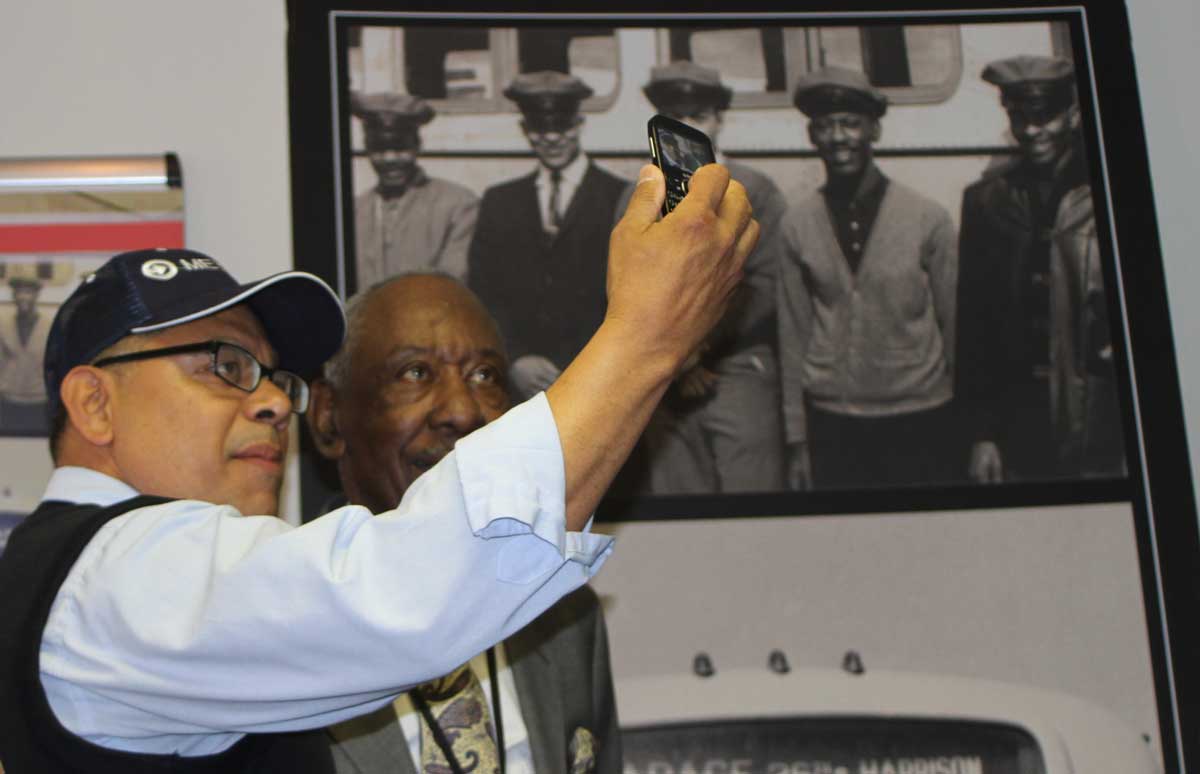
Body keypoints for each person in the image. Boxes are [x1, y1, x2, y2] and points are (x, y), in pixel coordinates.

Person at [0, 160, 758, 772]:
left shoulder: (88, 576)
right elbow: (404, 590)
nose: (271, 404)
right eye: (225, 366)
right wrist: (646, 337)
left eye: (275, 378)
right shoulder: (122, 576)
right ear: (94, 405)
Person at [307, 274, 620, 774]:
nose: (462, 412)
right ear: (328, 418)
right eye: (415, 373)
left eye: (484, 376)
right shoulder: (280, 620)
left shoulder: (562, 615)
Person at [777, 66, 958, 490]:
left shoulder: (927, 218)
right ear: (812, 137)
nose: (839, 138)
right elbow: (792, 335)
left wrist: (968, 425)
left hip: (919, 418)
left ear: (874, 131)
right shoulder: (797, 224)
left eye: (851, 124)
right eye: (825, 126)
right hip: (833, 422)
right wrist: (797, 439)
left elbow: (956, 324)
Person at [613, 61, 787, 494]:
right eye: (676, 118)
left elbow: (764, 286)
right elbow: (624, 284)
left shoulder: (755, 189)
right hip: (664, 372)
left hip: (734, 364)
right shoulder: (638, 196)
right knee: (678, 500)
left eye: (700, 116)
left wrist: (698, 347)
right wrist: (675, 355)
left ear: (719, 120)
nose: (687, 129)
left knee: (753, 498)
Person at [957, 55, 1125, 482]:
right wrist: (983, 434)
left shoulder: (1107, 191)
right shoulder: (986, 202)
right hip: (1019, 423)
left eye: (1044, 116)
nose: (1031, 131)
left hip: (1102, 420)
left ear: (1071, 114)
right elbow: (975, 327)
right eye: (1018, 117)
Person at [467, 71, 629, 400]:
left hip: (598, 379)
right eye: (540, 128)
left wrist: (589, 365)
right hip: (519, 385)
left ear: (579, 124)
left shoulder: (619, 197)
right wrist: (515, 358)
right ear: (525, 130)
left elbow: (629, 294)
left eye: (562, 126)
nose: (552, 138)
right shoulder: (500, 201)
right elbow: (483, 292)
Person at [351, 92, 479, 286]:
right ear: (367, 149)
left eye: (400, 148)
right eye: (379, 149)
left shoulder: (458, 205)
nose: (390, 159)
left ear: (418, 146)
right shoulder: (356, 210)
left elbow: (453, 284)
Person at [0, 276, 51, 434]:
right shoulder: (3, 325)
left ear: (36, 295)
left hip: (40, 401)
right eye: (18, 292)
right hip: (7, 400)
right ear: (13, 296)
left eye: (28, 292)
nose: (23, 297)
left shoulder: (50, 326)